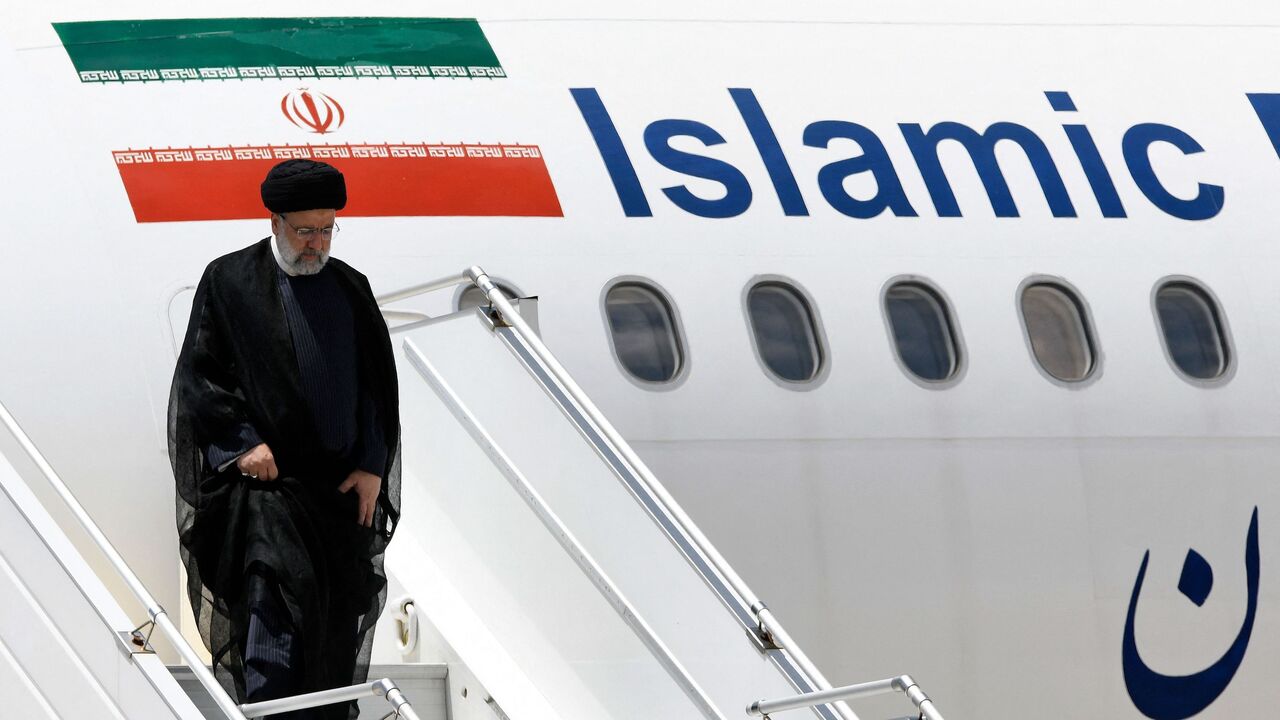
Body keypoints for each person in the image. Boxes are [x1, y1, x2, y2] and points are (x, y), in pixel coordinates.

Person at [169, 159, 401, 720]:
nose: (317, 243)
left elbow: (378, 386)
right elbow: (200, 376)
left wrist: (372, 463)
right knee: (273, 627)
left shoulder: (350, 287)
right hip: (266, 498)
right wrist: (243, 443)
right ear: (274, 221)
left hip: (338, 498)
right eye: (305, 230)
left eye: (327, 229)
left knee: (332, 634)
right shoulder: (230, 282)